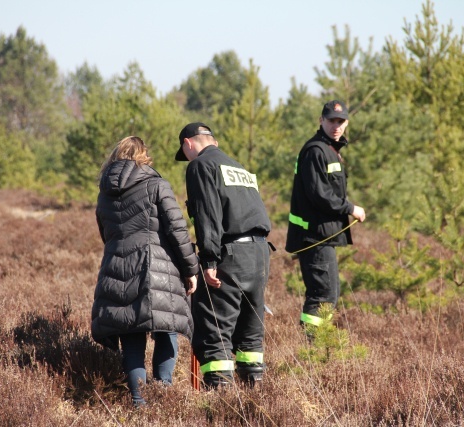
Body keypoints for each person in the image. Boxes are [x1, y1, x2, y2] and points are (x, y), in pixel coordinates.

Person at [91, 136, 199, 407]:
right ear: (143, 156)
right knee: (166, 329)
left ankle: (139, 404)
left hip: (116, 267)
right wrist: (191, 269)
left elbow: (106, 234)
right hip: (157, 267)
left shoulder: (104, 193)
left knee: (131, 337)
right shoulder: (156, 185)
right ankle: (163, 397)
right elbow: (177, 231)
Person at [175, 122, 273, 388]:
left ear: (188, 144)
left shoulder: (200, 166)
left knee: (214, 331)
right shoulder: (238, 167)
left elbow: (208, 216)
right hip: (260, 254)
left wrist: (208, 260)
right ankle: (256, 396)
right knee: (250, 335)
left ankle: (220, 403)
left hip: (230, 256)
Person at [285, 100, 366, 331]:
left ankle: (317, 347)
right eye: (331, 120)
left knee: (328, 293)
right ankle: (313, 349)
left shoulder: (330, 150)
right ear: (321, 120)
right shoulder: (315, 151)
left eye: (341, 121)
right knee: (323, 295)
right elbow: (319, 194)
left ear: (347, 123)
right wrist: (350, 208)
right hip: (314, 237)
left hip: (322, 236)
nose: (336, 125)